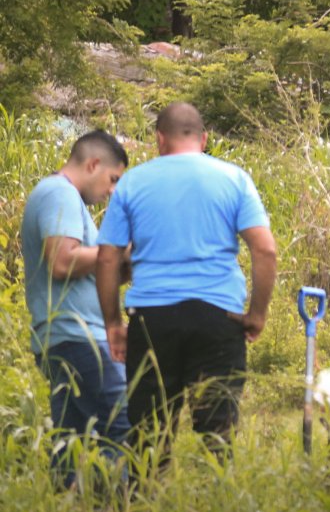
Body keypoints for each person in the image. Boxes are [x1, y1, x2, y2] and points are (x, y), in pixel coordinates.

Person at [96, 102, 277, 465]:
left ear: (160, 139)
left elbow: (107, 258)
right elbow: (265, 250)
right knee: (218, 435)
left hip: (152, 319)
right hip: (219, 318)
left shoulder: (133, 182)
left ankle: (147, 498)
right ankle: (217, 495)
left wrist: (113, 323)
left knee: (149, 435)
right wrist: (256, 314)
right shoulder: (234, 179)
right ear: (204, 139)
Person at [20, 130, 131, 486]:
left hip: (66, 337)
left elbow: (89, 269)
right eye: (113, 179)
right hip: (78, 336)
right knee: (124, 423)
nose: (112, 191)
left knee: (72, 439)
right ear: (93, 164)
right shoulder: (60, 192)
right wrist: (115, 252)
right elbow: (63, 261)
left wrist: (127, 262)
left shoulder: (67, 200)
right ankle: (119, 510)